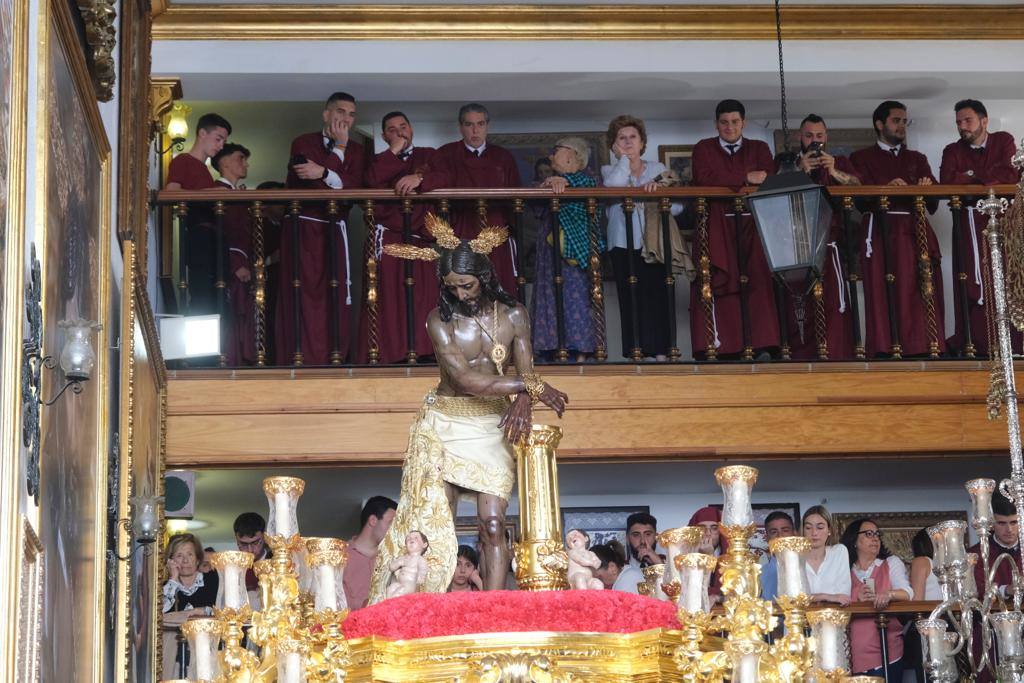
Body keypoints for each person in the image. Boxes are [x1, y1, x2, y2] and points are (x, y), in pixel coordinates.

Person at [367, 217, 568, 603]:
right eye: (452, 287)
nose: (460, 293)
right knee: (433, 526)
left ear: (485, 277)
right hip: (445, 421)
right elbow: (465, 381)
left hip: (494, 421)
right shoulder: (439, 320)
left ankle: (493, 607)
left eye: (468, 284)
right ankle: (432, 608)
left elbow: (526, 372)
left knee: (493, 523)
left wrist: (526, 395)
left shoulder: (513, 315)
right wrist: (533, 387)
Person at [851, 100, 945, 358]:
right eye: (896, 120)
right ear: (880, 124)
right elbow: (858, 200)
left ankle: (923, 346)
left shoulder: (917, 158)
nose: (901, 126)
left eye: (904, 121)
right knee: (883, 288)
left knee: (919, 287)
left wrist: (926, 187)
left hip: (915, 231)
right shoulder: (860, 158)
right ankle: (884, 347)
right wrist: (885, 188)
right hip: (881, 232)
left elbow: (934, 198)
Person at [277, 91, 365, 365]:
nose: (346, 119)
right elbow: (308, 182)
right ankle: (298, 358)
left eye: (351, 114)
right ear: (326, 114)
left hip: (335, 231)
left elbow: (355, 188)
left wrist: (325, 173)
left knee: (334, 295)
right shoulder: (303, 142)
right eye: (340, 112)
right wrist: (338, 152)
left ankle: (334, 358)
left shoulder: (359, 150)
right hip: (303, 231)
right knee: (301, 294)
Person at [690, 99, 777, 360]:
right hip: (717, 224)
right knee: (718, 283)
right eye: (724, 122)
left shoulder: (759, 147)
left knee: (758, 283)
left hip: (753, 222)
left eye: (735, 122)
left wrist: (736, 181)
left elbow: (768, 177)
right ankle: (722, 346)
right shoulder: (704, 148)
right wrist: (746, 177)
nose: (730, 127)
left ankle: (762, 345)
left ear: (744, 123)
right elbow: (704, 180)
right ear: (716, 124)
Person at [776, 114, 862, 360]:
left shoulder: (839, 161)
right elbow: (775, 193)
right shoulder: (787, 162)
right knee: (799, 307)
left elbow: (859, 188)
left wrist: (833, 171)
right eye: (809, 136)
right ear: (798, 137)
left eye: (819, 136)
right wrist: (799, 169)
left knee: (834, 304)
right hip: (796, 247)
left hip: (829, 243)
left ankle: (836, 356)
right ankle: (799, 359)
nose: (815, 141)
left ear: (827, 137)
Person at [939, 99, 1021, 357]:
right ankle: (979, 345)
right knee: (974, 283)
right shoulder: (952, 150)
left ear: (984, 120)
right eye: (958, 122)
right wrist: (984, 175)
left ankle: (1015, 344)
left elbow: (1010, 175)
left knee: (1009, 278)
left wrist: (973, 175)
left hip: (1005, 222)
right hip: (968, 222)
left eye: (968, 120)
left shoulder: (1003, 140)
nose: (962, 126)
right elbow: (948, 181)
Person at [418, 103, 522, 296]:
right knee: (463, 285)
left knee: (497, 285)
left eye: (480, 124)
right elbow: (427, 180)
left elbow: (516, 198)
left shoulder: (503, 157)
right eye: (469, 124)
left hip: (495, 229)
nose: (475, 130)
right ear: (460, 127)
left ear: (487, 126)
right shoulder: (446, 154)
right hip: (461, 229)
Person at [361, 111, 439, 364]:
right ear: (384, 136)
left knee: (423, 297)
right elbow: (371, 183)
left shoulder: (428, 155)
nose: (399, 133)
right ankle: (393, 354)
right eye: (392, 130)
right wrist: (392, 153)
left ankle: (425, 352)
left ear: (412, 128)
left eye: (403, 126)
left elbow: (448, 176)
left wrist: (419, 178)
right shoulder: (377, 161)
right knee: (390, 299)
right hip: (390, 239)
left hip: (420, 239)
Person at [602, 115, 681, 361]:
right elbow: (615, 185)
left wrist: (659, 197)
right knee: (631, 297)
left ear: (642, 141)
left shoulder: (657, 168)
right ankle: (637, 352)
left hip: (654, 243)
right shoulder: (610, 169)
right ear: (614, 145)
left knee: (658, 295)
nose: (627, 142)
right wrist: (624, 161)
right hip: (622, 244)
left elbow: (678, 207)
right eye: (621, 138)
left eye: (632, 137)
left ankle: (662, 352)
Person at [533, 137, 601, 362]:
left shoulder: (586, 180)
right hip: (548, 252)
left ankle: (580, 350)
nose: (552, 155)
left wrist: (564, 182)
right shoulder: (550, 181)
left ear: (573, 155)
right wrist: (550, 183)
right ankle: (551, 348)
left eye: (557, 151)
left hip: (573, 251)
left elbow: (587, 188)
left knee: (576, 295)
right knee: (548, 295)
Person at [165, 113, 232, 318]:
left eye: (223, 141)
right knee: (202, 294)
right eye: (218, 139)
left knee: (216, 295)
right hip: (199, 236)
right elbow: (171, 192)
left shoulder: (205, 171)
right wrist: (211, 193)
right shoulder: (183, 161)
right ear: (202, 133)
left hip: (211, 237)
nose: (221, 146)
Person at [840, 517, 911, 680]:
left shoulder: (890, 563)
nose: (875, 538)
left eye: (877, 534)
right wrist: (855, 596)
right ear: (854, 541)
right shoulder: (844, 570)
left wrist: (888, 594)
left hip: (887, 652)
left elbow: (908, 593)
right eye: (868, 534)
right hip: (852, 653)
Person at [210, 142, 255, 366]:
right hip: (231, 265)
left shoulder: (235, 193)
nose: (245, 164)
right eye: (240, 158)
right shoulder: (218, 191)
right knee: (230, 316)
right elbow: (224, 231)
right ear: (224, 162)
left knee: (240, 317)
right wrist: (236, 263)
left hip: (241, 263)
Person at [968, 490, 1019, 683]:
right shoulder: (976, 554)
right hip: (991, 634)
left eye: (1014, 522)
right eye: (1002, 523)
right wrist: (1007, 590)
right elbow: (974, 592)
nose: (1009, 530)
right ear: (991, 523)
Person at [344, 495, 398, 610]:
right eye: (391, 523)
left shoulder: (394, 561)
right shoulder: (339, 556)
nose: (395, 530)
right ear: (373, 520)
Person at [906, 527, 941, 683]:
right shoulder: (933, 563)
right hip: (942, 622)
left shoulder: (922, 561)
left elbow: (916, 600)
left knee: (930, 674)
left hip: (929, 624)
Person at [162, 533, 219, 623]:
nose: (185, 560)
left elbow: (227, 612)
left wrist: (204, 611)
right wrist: (173, 579)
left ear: (197, 559)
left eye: (190, 554)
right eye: (179, 556)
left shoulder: (213, 579)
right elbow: (157, 615)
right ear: (170, 561)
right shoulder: (166, 587)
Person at [802, 505, 851, 606]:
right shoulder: (794, 558)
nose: (814, 533)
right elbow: (791, 598)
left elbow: (843, 596)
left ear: (829, 530)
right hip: (801, 619)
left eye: (820, 527)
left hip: (834, 618)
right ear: (803, 531)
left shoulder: (839, 552)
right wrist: (827, 597)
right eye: (808, 528)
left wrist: (811, 598)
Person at [689, 506, 727, 603]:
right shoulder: (682, 557)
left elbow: (737, 596)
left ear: (720, 532)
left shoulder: (730, 557)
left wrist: (717, 598)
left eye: (714, 528)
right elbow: (687, 593)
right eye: (702, 528)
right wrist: (707, 557)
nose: (708, 533)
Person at [760, 511, 796, 602]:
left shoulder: (808, 566)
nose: (780, 536)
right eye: (774, 532)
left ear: (794, 534)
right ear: (767, 538)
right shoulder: (759, 575)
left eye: (785, 530)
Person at [386, 531, 430, 599]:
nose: (411, 540)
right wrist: (398, 563)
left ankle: (392, 606)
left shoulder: (420, 559)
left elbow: (423, 570)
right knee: (390, 588)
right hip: (399, 583)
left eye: (416, 538)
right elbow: (391, 567)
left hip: (410, 584)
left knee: (399, 592)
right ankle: (387, 606)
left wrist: (420, 578)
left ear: (424, 544)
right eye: (408, 539)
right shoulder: (403, 558)